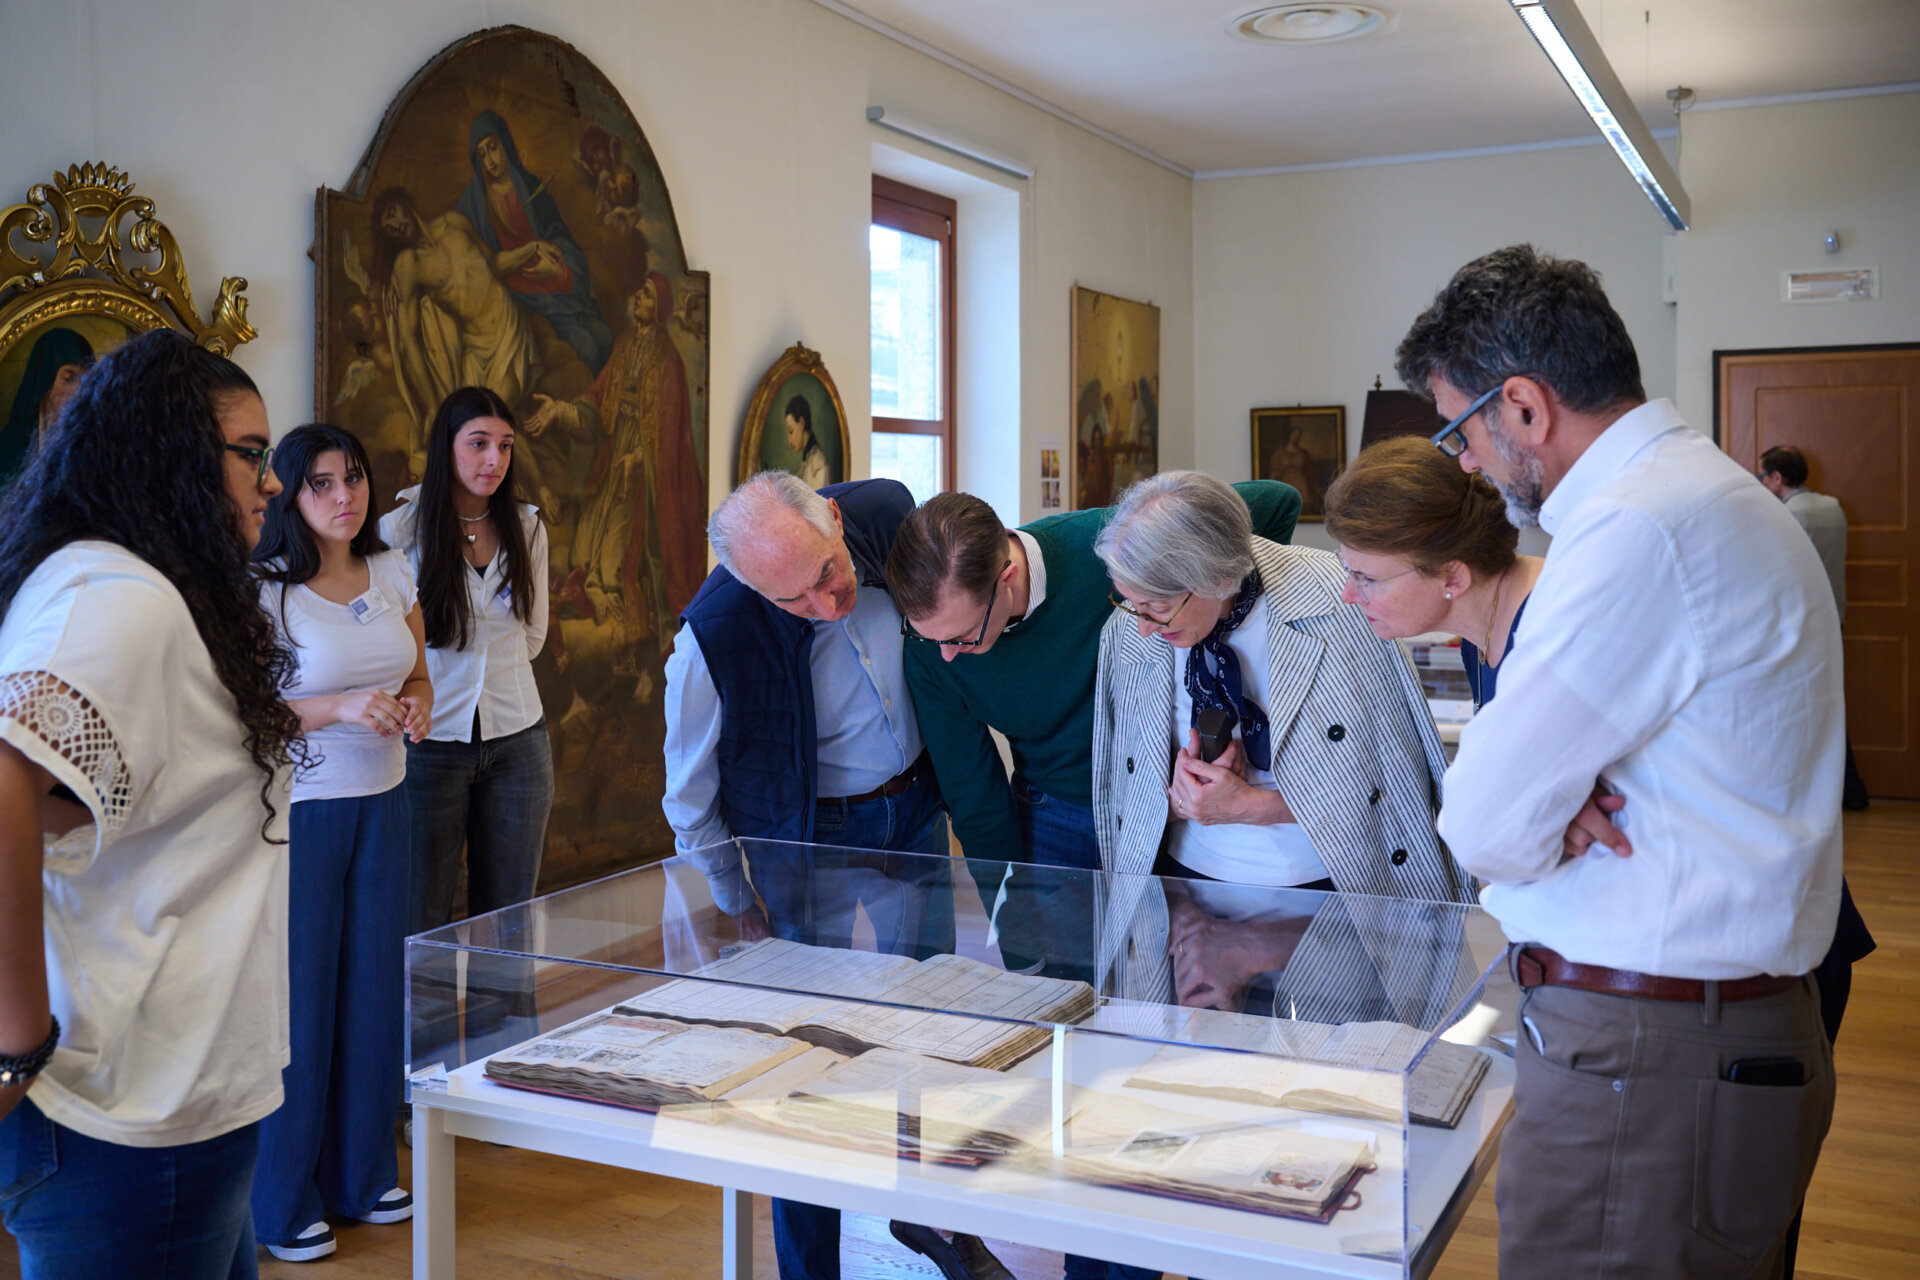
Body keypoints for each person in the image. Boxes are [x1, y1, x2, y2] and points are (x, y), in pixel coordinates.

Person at [1327, 430, 1873, 1278]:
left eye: (1364, 575)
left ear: (1452, 576)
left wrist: (1522, 816)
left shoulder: (1560, 621)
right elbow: (1505, 825)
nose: (1348, 594)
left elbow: (1484, 830)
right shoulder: (1492, 632)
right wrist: (1531, 814)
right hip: (1688, 965)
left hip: (1709, 981)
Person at [1398, 243, 1840, 1278]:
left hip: (1649, 1061)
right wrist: (1556, 798)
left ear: (1523, 405)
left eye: (1461, 429)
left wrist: (1540, 808)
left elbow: (1485, 822)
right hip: (1687, 1043)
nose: (1462, 462)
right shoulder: (1704, 491)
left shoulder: (1640, 526)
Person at [0, 328, 301, 1278]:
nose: (274, 479)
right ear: (171, 452)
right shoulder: (117, 597)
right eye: (251, 453)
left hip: (175, 1101)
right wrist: (15, 1041)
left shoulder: (156, 592)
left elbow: (63, 804)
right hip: (124, 1111)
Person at [663, 470, 1005, 1280]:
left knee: (927, 1034)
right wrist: (734, 898)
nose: (827, 604)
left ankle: (933, 1220)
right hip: (806, 841)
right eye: (795, 602)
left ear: (839, 524)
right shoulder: (712, 636)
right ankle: (809, 1267)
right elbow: (688, 795)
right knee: (804, 1068)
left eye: (828, 574)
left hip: (915, 809)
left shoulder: (891, 521)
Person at [1088, 470, 1472, 1012]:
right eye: (1130, 603)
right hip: (1185, 894)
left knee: (1323, 1074)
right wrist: (1176, 799)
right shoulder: (1129, 628)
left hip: (1327, 893)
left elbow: (1391, 786)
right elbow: (1119, 788)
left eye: (1156, 607)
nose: (1144, 627)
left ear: (1215, 577)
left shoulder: (1341, 602)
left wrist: (1252, 806)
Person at [885, 481, 1301, 980]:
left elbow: (1278, 502)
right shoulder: (931, 652)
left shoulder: (1108, 542)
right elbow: (975, 799)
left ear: (1007, 577)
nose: (947, 654)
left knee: (1166, 979)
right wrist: (1019, 940)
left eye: (962, 636)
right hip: (1056, 811)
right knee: (1066, 989)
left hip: (1164, 805)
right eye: (928, 637)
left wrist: (1218, 633)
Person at [249, 425, 432, 1262]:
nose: (344, 497)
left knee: (372, 989)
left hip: (387, 798)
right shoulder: (266, 591)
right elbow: (243, 712)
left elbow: (417, 670)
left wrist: (418, 702)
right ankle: (282, 1200)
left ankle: (364, 1174)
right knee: (305, 999)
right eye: (321, 484)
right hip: (307, 810)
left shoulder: (392, 571)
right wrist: (338, 708)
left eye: (353, 478)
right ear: (289, 494)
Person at [380, 387, 552, 940]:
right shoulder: (397, 533)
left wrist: (485, 668)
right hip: (429, 743)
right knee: (419, 914)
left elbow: (532, 637)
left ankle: (506, 1029)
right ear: (446, 449)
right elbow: (385, 644)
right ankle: (420, 1029)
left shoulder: (527, 527)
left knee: (509, 919)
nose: (493, 461)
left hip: (519, 738)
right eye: (478, 444)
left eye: (504, 446)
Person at [527, 273, 705, 643]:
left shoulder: (668, 360)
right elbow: (597, 400)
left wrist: (638, 458)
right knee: (583, 547)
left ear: (660, 309)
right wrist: (560, 411)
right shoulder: (624, 346)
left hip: (644, 472)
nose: (638, 297)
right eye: (640, 291)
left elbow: (669, 432)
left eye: (647, 295)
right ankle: (592, 606)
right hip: (612, 455)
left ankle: (620, 628)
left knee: (614, 559)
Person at [371, 186, 543, 442]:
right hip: (475, 348)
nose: (396, 225)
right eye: (388, 227)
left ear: (406, 204)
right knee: (470, 429)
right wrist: (431, 405)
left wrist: (531, 250)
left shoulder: (454, 223)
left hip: (508, 329)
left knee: (487, 420)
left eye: (394, 213)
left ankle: (536, 483)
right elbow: (408, 340)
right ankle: (528, 482)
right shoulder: (409, 266)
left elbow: (494, 264)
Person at [457, 110, 614, 374]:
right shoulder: (474, 203)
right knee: (586, 346)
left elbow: (559, 236)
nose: (490, 160)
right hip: (517, 289)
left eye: (493, 148)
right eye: (482, 155)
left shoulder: (531, 187)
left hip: (548, 276)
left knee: (606, 336)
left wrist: (555, 269)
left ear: (505, 144)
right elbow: (469, 254)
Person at [1758, 444, 1869, 810]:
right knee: (1831, 702)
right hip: (1834, 616)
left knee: (1797, 707)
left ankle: (1809, 794)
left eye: (1763, 476)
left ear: (1777, 478)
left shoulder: (1785, 516)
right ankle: (1850, 788)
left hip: (1798, 622)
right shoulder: (1832, 508)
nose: (1760, 483)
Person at [2, 328, 93, 483]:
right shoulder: (8, 446)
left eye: (85, 381)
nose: (78, 391)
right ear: (44, 381)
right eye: (68, 378)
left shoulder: (93, 445)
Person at [784, 394, 831, 489]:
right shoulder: (808, 460)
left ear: (801, 423)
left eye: (791, 431)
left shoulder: (818, 465)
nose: (789, 441)